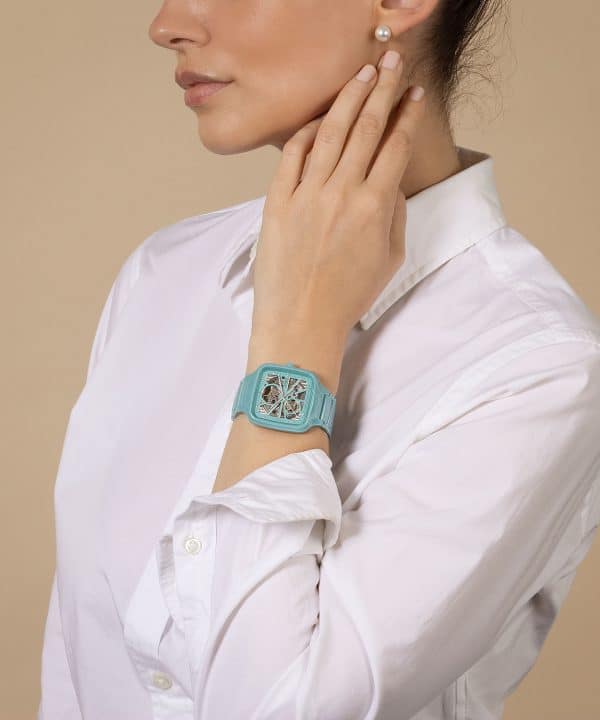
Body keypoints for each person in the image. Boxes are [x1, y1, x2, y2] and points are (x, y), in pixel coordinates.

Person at [38, 0, 600, 718]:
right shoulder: (164, 275)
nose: (167, 24)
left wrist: (297, 338)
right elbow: (75, 673)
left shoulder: (536, 367)